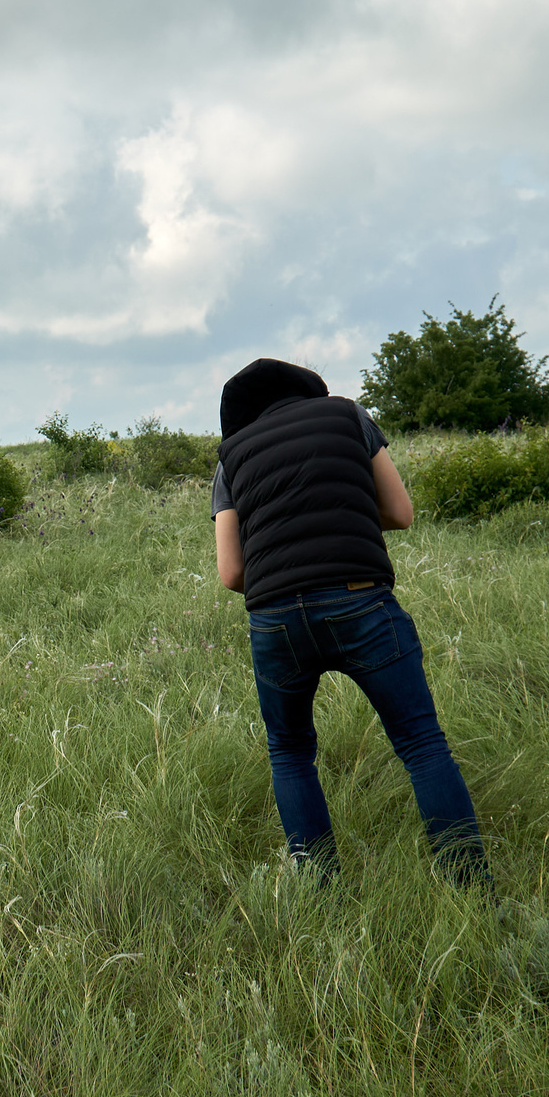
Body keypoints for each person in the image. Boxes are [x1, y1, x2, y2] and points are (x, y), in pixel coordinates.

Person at [210, 358, 487, 884]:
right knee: (421, 744)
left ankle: (320, 889)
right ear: (310, 392)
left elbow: (231, 572)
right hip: (360, 601)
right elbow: (400, 512)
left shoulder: (230, 459)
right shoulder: (348, 416)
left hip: (274, 620)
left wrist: (284, 583)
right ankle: (471, 889)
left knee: (290, 753)